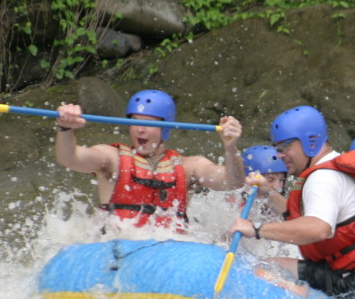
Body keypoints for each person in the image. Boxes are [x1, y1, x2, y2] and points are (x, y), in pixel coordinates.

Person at [228, 105, 355, 299]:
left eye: (285, 146)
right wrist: (268, 192)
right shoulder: (333, 167)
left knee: (266, 266)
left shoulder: (323, 178)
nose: (280, 155)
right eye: (277, 148)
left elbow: (318, 228)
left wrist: (256, 229)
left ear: (310, 141)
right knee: (282, 263)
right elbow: (298, 215)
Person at [54, 90, 244, 230]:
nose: (139, 129)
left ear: (165, 128)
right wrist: (65, 128)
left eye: (147, 123)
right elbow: (69, 158)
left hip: (163, 251)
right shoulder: (113, 159)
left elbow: (232, 182)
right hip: (114, 247)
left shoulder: (188, 166)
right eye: (134, 122)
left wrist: (231, 148)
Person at [241, 144, 289, 216]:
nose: (277, 187)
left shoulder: (284, 205)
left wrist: (269, 192)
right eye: (270, 179)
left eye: (281, 180)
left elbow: (295, 217)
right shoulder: (233, 204)